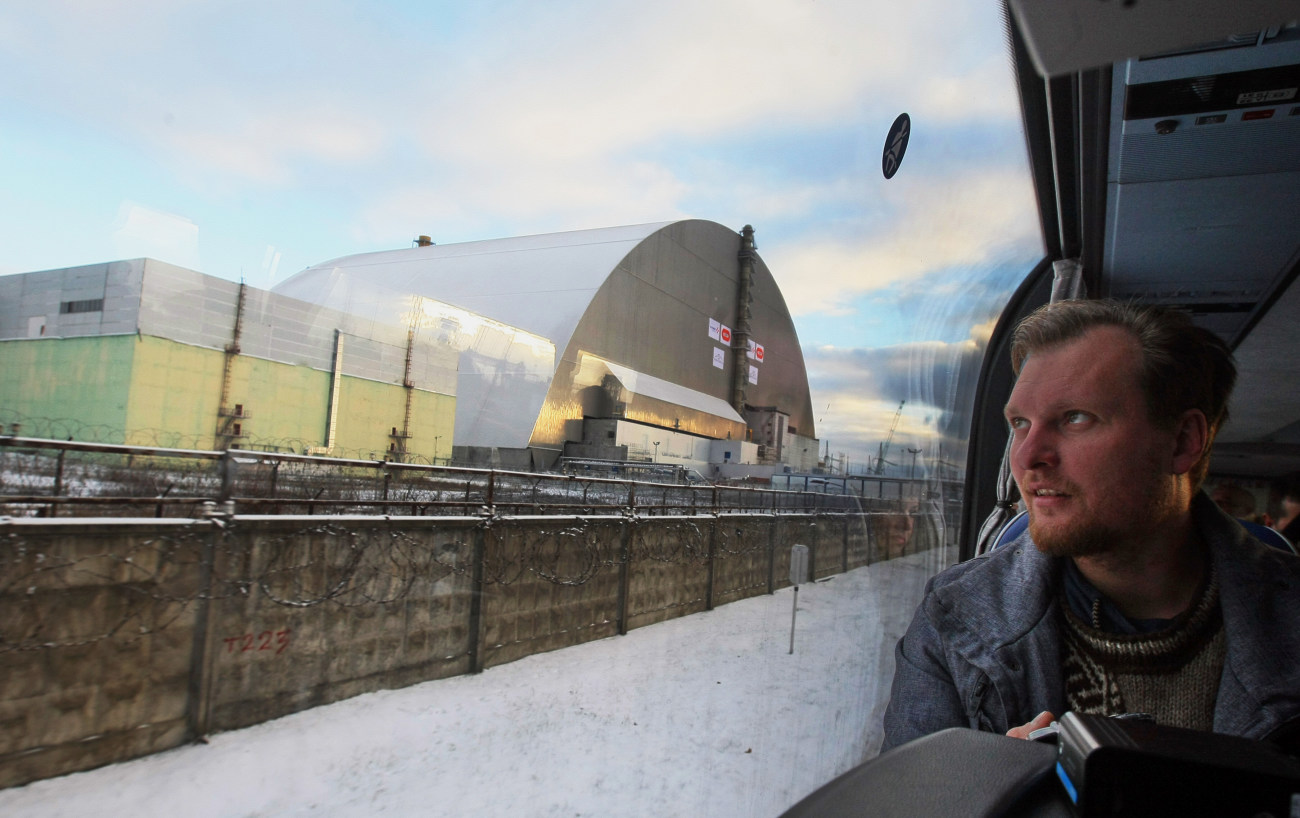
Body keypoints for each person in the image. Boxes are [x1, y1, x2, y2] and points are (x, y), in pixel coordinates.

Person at [881, 300, 1300, 752]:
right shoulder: (952, 620)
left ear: (1182, 442)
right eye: (1020, 423)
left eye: (1075, 418)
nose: (1025, 457)